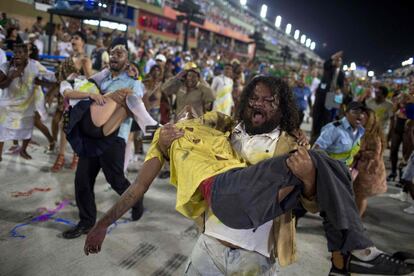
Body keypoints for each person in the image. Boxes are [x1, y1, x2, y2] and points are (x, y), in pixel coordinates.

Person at [84, 77, 413, 276]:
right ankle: (354, 255)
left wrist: (307, 177)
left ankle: (348, 257)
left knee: (320, 166)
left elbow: (311, 202)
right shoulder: (180, 137)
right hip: (213, 235)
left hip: (254, 256)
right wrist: (102, 224)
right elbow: (137, 187)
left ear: (281, 107)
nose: (258, 104)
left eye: (268, 101)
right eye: (252, 99)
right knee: (317, 162)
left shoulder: (256, 134)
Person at [61, 39, 152, 239]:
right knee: (82, 179)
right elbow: (85, 87)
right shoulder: (102, 78)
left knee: (116, 180)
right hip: (93, 136)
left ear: (128, 61)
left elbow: (134, 106)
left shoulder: (134, 82)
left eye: (119, 53)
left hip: (114, 136)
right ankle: (86, 222)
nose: (114, 56)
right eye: (112, 53)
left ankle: (135, 199)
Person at [0, 43, 55, 161]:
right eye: (15, 52)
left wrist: (59, 79)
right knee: (3, 128)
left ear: (27, 54)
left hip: (28, 102)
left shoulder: (34, 65)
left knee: (28, 126)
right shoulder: (7, 66)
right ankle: (5, 151)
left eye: (20, 52)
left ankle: (25, 149)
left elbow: (49, 77)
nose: (17, 55)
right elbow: (1, 84)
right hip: (9, 103)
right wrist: (11, 77)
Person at [50, 31, 92, 172]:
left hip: (77, 99)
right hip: (65, 97)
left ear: (83, 42)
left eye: (76, 38)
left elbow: (90, 80)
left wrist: (77, 78)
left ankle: (73, 156)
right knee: (63, 126)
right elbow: (61, 78)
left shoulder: (85, 59)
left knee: (71, 127)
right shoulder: (70, 57)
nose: (73, 40)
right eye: (72, 37)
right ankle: (63, 156)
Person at [353, 108, 387, 217]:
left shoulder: (373, 136)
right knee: (356, 195)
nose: (360, 119)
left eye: (363, 117)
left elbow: (375, 154)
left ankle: (356, 222)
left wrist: (359, 153)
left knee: (361, 196)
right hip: (357, 168)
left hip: (367, 170)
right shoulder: (359, 131)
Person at [314, 101, 366, 167]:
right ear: (346, 113)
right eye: (355, 112)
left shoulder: (360, 131)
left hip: (347, 169)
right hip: (330, 169)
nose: (359, 116)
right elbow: (316, 150)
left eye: (362, 113)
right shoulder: (334, 129)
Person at [311, 51, 345, 144]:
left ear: (341, 63)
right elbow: (326, 63)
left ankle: (323, 138)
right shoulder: (329, 69)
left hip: (333, 97)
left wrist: (339, 90)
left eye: (339, 60)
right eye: (336, 60)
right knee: (317, 116)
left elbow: (341, 86)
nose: (337, 62)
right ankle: (314, 136)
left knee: (329, 118)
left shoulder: (342, 74)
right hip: (322, 95)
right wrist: (333, 56)